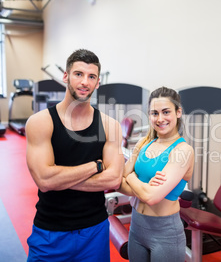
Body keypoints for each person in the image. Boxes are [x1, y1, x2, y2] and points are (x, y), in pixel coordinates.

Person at [25, 49, 124, 262]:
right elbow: (43, 180)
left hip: (94, 231)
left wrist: (57, 179)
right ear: (66, 76)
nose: (84, 82)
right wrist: (95, 166)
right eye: (78, 74)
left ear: (98, 83)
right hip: (50, 232)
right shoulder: (40, 122)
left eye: (91, 77)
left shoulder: (110, 126)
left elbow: (114, 179)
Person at [118, 86, 194, 262]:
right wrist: (141, 186)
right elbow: (119, 182)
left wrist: (131, 178)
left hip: (165, 234)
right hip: (136, 227)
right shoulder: (145, 144)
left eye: (166, 112)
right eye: (154, 113)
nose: (160, 119)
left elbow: (151, 197)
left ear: (178, 112)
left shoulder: (183, 150)